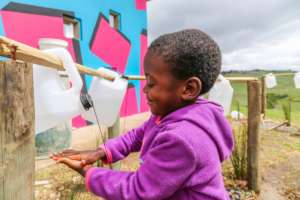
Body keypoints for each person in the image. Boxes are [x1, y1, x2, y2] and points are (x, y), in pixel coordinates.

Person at [52, 29, 234, 200]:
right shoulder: (174, 113)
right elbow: (139, 135)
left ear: (188, 88)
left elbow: (138, 191)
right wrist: (100, 152)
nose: (145, 89)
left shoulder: (183, 139)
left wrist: (87, 172)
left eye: (152, 83)